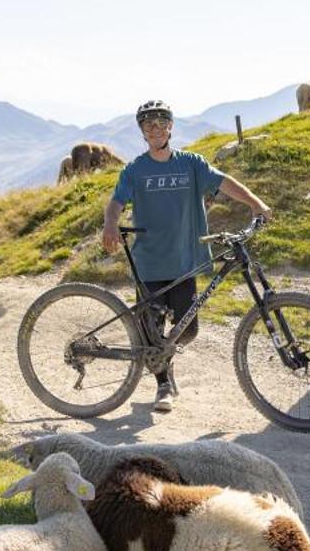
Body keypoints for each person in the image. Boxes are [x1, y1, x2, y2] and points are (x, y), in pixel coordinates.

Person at [101, 99, 271, 413]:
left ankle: (164, 355)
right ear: (143, 132)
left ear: (170, 127)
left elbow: (225, 183)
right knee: (152, 328)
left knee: (188, 329)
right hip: (150, 262)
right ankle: (163, 385)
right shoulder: (135, 170)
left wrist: (256, 203)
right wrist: (110, 222)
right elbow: (116, 202)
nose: (154, 130)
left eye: (160, 123)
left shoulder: (191, 164)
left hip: (184, 261)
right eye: (148, 125)